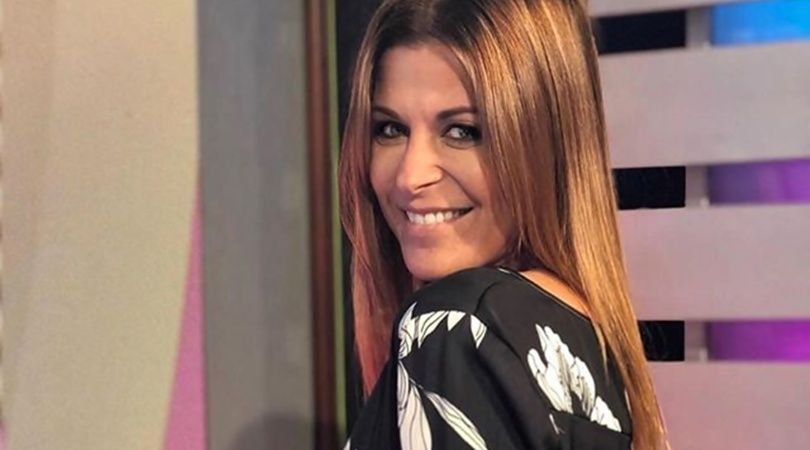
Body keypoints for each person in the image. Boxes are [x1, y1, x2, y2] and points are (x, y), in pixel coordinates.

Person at [338, 0, 669, 448]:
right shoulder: (588, 342)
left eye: (463, 131)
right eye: (390, 129)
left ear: (543, 143)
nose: (411, 177)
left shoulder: (456, 325)